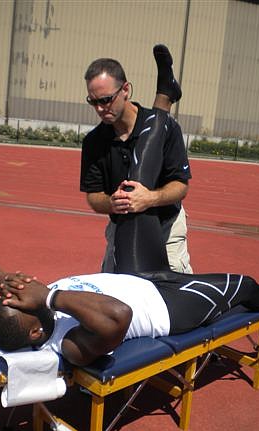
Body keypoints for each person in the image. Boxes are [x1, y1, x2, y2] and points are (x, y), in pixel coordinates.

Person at [0, 262, 259, 367]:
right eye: (23, 303)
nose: (24, 296)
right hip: (170, 308)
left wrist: (4, 280)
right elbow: (120, 315)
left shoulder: (27, 312)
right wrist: (49, 296)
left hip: (144, 279)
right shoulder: (68, 346)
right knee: (245, 284)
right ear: (35, 334)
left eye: (13, 298)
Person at [80, 44, 193, 273]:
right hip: (122, 226)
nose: (100, 108)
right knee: (113, 295)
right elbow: (93, 196)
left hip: (166, 228)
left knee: (171, 296)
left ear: (126, 90)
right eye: (94, 102)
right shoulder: (93, 141)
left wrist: (150, 198)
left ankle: (165, 94)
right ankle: (165, 95)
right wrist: (111, 202)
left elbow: (180, 186)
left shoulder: (167, 128)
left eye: (106, 99)